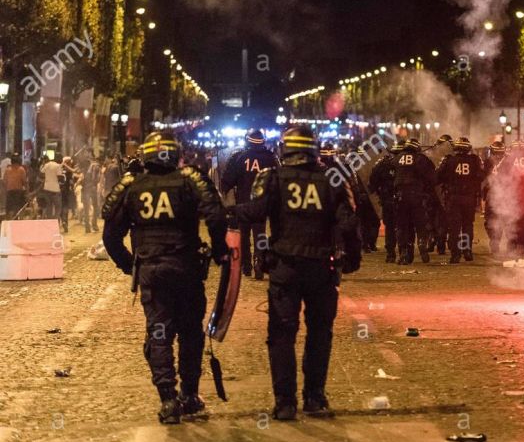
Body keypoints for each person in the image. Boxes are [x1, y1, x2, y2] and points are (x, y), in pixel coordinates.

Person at [231, 125, 360, 419]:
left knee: (281, 335)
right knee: (319, 333)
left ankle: (285, 402)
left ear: (285, 149)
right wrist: (353, 259)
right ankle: (314, 397)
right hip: (321, 270)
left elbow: (254, 212)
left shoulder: (273, 177)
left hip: (285, 269)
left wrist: (222, 213)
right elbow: (349, 223)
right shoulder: (332, 179)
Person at [102, 131, 228, 424]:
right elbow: (217, 216)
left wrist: (130, 265)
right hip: (186, 269)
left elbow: (110, 236)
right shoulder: (189, 180)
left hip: (152, 271)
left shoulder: (132, 185)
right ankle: (190, 395)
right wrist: (220, 252)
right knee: (190, 334)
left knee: (158, 334)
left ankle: (168, 401)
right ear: (175, 154)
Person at [220, 129, 279, 279]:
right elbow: (278, 179)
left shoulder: (240, 157)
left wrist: (226, 192)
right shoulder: (271, 158)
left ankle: (246, 265)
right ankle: (259, 262)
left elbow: (227, 180)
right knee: (260, 235)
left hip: (243, 203)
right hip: (262, 204)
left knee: (244, 235)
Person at [436, 136, 484, 263]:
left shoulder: (449, 160)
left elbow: (438, 177)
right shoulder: (475, 160)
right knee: (467, 225)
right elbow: (481, 176)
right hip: (469, 197)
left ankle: (455, 254)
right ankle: (467, 250)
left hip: (453, 198)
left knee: (454, 227)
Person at [393, 138, 436, 265]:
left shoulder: (396, 158)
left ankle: (404, 252)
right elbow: (432, 178)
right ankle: (422, 243)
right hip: (417, 195)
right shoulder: (421, 159)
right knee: (420, 224)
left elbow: (391, 175)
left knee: (403, 226)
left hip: (400, 197)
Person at [369, 141, 402, 262]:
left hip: (387, 199)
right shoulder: (408, 163)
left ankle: (390, 253)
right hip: (402, 200)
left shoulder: (382, 164)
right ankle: (404, 253)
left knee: (390, 227)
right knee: (404, 226)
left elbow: (372, 181)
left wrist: (377, 192)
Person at [482, 141, 506, 254]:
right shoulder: (507, 161)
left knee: (491, 219)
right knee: (495, 220)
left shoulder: (488, 162)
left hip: (497, 194)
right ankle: (495, 240)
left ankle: (494, 241)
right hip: (498, 194)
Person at [40, 155, 63, 222]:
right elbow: (59, 177)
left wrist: (46, 179)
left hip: (47, 188)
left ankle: (50, 221)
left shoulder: (46, 165)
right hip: (55, 189)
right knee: (58, 207)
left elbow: (41, 173)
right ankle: (56, 220)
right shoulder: (57, 166)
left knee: (49, 206)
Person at [4, 155, 27, 219]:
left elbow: (4, 181)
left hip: (10, 190)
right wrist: (27, 191)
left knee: (9, 207)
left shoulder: (7, 170)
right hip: (18, 190)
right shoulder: (21, 169)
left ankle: (10, 219)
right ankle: (16, 218)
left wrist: (7, 188)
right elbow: (25, 181)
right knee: (18, 206)